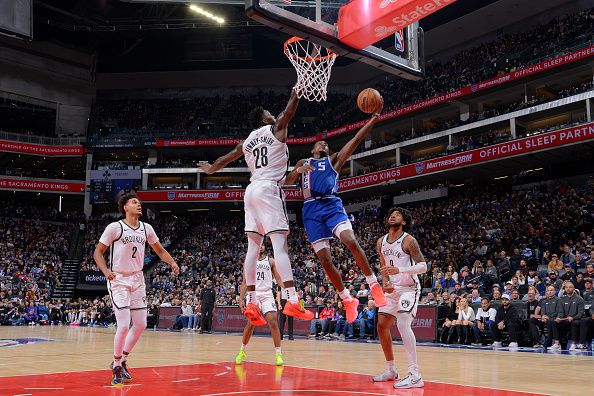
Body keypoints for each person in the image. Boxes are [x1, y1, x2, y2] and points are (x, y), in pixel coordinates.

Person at [199, 88, 312, 324]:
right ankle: (292, 300)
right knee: (279, 246)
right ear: (264, 119)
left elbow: (226, 158)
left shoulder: (247, 142)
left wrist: (211, 169)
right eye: (270, 113)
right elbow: (289, 111)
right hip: (269, 189)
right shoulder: (274, 129)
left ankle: (251, 302)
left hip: (250, 191)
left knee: (253, 247)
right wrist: (297, 90)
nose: (274, 115)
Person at [284, 101, 387, 323]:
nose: (323, 143)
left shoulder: (334, 160)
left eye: (326, 143)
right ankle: (348, 299)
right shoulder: (304, 162)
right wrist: (297, 171)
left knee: (350, 240)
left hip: (331, 205)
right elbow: (286, 182)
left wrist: (373, 119)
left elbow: (356, 140)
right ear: (312, 150)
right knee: (325, 261)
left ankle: (373, 284)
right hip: (310, 209)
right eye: (319, 142)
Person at [94, 192, 179, 387]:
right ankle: (116, 366)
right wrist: (106, 271)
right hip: (119, 279)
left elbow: (159, 250)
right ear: (125, 207)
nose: (138, 205)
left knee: (140, 325)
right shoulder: (115, 227)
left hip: (138, 279)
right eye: (134, 202)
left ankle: (123, 359)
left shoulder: (146, 228)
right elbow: (98, 252)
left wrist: (172, 262)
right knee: (123, 325)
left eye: (139, 203)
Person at [373, 207, 427, 389]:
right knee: (381, 326)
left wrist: (400, 270)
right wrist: (386, 282)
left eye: (397, 214)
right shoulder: (380, 242)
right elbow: (383, 266)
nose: (392, 215)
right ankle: (391, 370)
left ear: (403, 222)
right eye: (391, 214)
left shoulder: (409, 240)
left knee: (403, 323)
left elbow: (423, 267)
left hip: (409, 288)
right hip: (393, 289)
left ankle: (415, 375)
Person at [236, 244, 285, 366]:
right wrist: (241, 298)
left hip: (267, 293)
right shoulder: (249, 261)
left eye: (263, 245)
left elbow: (278, 279)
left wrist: (288, 288)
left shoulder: (271, 261)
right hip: (254, 294)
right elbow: (245, 282)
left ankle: (278, 353)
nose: (261, 247)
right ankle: (242, 350)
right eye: (259, 245)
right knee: (251, 324)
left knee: (273, 321)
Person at [549, 282, 585, 351]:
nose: (568, 289)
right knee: (553, 321)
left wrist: (573, 318)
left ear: (574, 289)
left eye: (570, 287)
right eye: (566, 287)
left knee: (575, 322)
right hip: (565, 319)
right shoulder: (562, 299)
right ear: (564, 289)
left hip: (576, 319)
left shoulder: (579, 299)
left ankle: (574, 344)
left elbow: (580, 313)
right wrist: (559, 317)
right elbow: (561, 312)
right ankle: (557, 344)